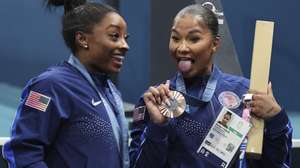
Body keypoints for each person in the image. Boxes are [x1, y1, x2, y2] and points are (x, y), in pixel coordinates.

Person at [129, 4, 292, 168]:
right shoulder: (155, 101)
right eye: (176, 38)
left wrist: (276, 119)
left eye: (194, 39)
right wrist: (158, 127)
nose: (182, 47)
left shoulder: (246, 94)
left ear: (215, 44)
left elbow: (275, 163)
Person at [3, 0, 130, 167]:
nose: (124, 45)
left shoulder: (111, 92)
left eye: (125, 38)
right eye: (115, 36)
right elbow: (24, 153)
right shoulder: (49, 87)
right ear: (82, 39)